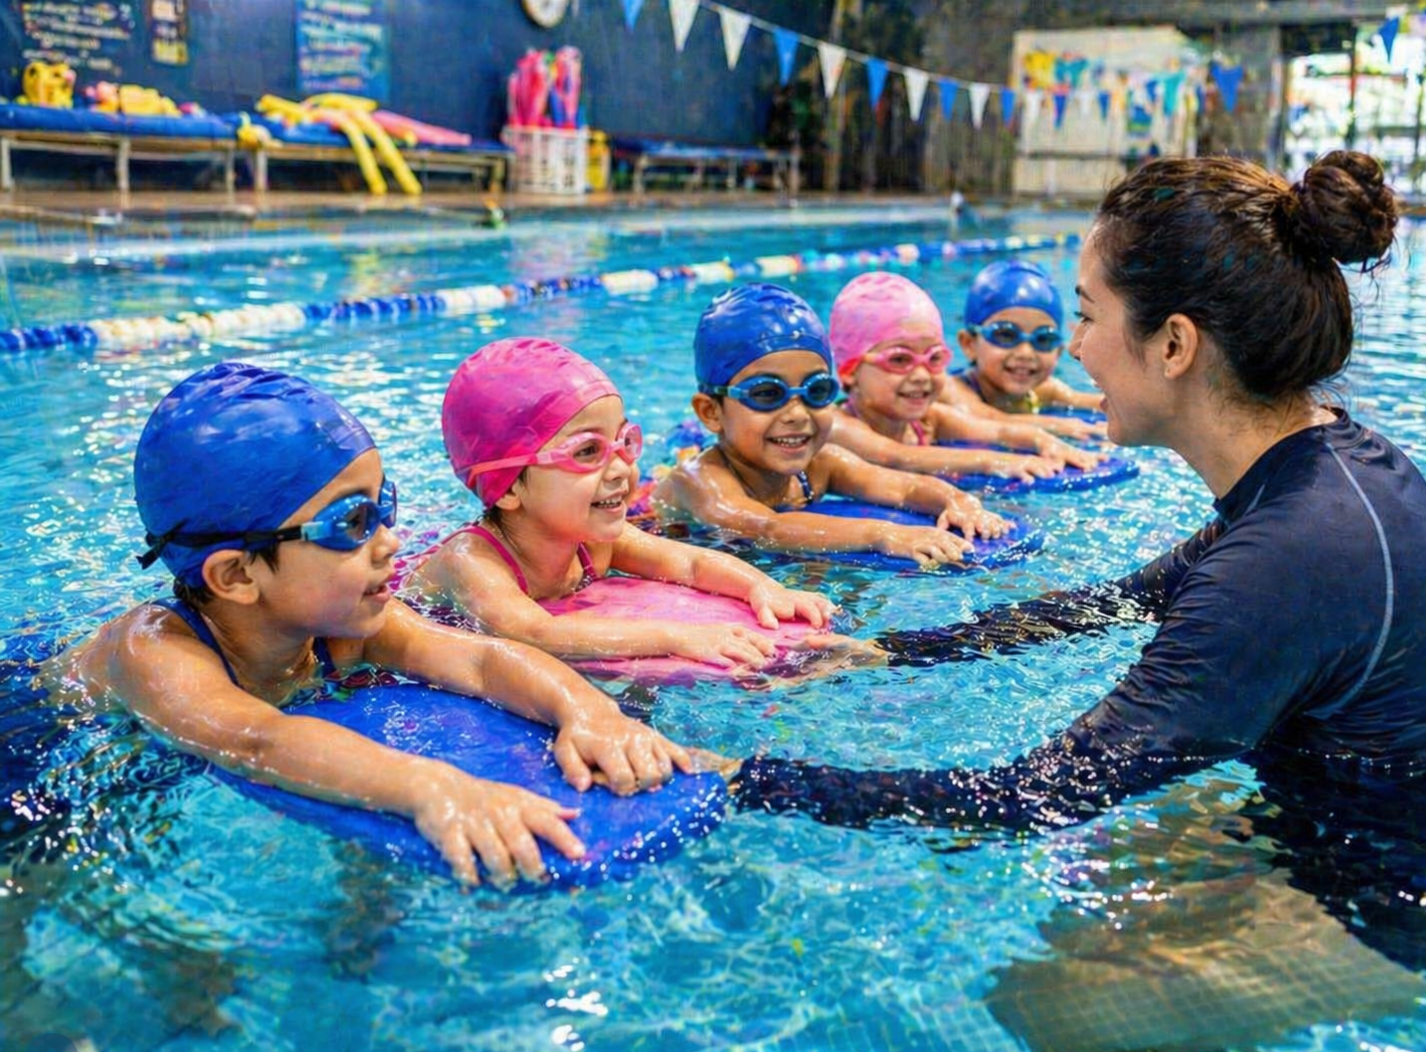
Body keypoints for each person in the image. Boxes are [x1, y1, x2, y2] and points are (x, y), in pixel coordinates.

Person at [734, 153, 1426, 982]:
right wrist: (892, 652)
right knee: (1098, 878)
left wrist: (744, 779)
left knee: (1039, 996)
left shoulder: (1285, 559)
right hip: (1369, 812)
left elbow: (1023, 800)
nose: (1077, 349)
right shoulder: (1323, 466)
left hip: (1411, 898)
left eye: (1087, 316)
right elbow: (1122, 603)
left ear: (1173, 344)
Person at [45, 362, 695, 888]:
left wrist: (587, 711)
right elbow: (258, 739)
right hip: (34, 742)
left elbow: (480, 659)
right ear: (237, 576)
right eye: (352, 523)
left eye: (383, 504)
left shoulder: (346, 622)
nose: (390, 541)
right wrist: (436, 788)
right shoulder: (155, 650)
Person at [398, 337, 836, 671]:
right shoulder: (471, 563)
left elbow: (689, 565)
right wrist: (674, 637)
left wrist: (765, 588)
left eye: (624, 441)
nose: (620, 469)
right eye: (587, 452)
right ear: (507, 487)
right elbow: (536, 632)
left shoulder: (593, 537)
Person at [650, 282, 1010, 569]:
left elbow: (903, 488)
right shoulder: (698, 479)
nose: (797, 413)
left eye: (817, 390)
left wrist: (959, 501)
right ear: (711, 412)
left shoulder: (820, 464)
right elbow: (764, 528)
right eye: (766, 394)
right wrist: (885, 534)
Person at [824, 271, 1103, 481]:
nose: (921, 375)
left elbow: (1000, 431)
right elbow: (895, 456)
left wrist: (1045, 442)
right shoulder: (836, 425)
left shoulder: (930, 418)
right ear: (849, 370)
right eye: (899, 360)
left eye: (934, 358)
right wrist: (993, 461)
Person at [938, 260, 1106, 440]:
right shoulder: (949, 389)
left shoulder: (1044, 390)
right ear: (969, 344)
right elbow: (988, 418)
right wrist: (1064, 426)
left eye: (1043, 339)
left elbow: (1102, 404)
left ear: (1058, 351)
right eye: (1006, 335)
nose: (1026, 353)